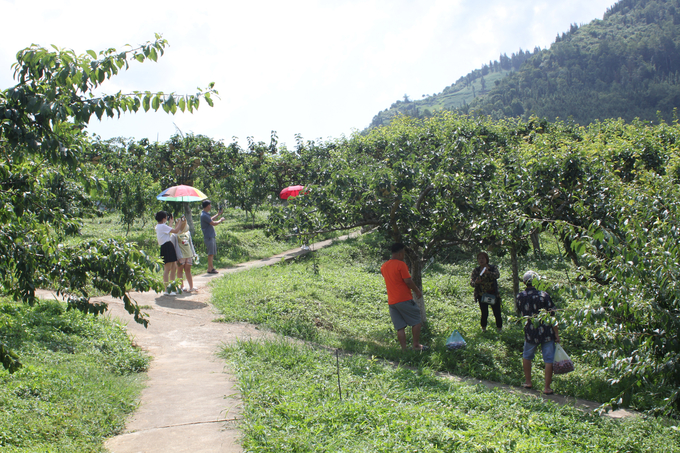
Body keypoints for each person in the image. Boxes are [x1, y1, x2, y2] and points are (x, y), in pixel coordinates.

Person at [516, 270, 560, 395]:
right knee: (548, 359)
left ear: (524, 282)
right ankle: (547, 387)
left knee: (527, 356)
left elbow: (520, 311)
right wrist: (556, 333)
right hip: (546, 331)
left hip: (530, 331)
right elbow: (552, 315)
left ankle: (528, 382)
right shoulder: (544, 295)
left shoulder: (520, 296)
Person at [380, 243, 427, 351]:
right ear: (401, 254)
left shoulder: (384, 266)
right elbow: (408, 281)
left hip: (392, 301)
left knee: (400, 327)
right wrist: (417, 291)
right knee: (416, 320)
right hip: (404, 299)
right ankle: (415, 345)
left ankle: (404, 350)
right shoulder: (401, 265)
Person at [155, 211, 186, 295]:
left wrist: (171, 222)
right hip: (167, 246)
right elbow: (175, 231)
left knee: (173, 268)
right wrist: (180, 222)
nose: (167, 219)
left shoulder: (159, 226)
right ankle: (167, 290)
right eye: (166, 217)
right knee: (167, 269)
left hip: (167, 246)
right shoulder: (162, 226)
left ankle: (171, 288)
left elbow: (168, 231)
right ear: (163, 218)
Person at [469, 252, 502, 332]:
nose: (481, 260)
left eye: (483, 258)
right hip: (482, 294)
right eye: (479, 258)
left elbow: (497, 275)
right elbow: (472, 282)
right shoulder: (476, 270)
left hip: (493, 294)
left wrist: (488, 273)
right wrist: (476, 282)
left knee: (497, 312)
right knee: (484, 313)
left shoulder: (492, 267)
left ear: (487, 259)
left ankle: (499, 329)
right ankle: (483, 328)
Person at [200, 199, 225, 274]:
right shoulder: (204, 215)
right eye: (210, 205)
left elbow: (210, 219)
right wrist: (220, 220)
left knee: (212, 253)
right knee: (210, 253)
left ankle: (210, 268)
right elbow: (213, 223)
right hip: (209, 237)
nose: (210, 206)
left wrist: (218, 214)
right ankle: (211, 268)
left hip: (210, 236)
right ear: (207, 206)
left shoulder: (205, 214)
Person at [176, 217, 198, 292]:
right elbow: (175, 245)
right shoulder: (175, 233)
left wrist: (194, 253)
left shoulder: (187, 232)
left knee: (188, 270)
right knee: (180, 270)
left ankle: (191, 287)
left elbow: (190, 243)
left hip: (188, 254)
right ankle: (182, 286)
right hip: (181, 255)